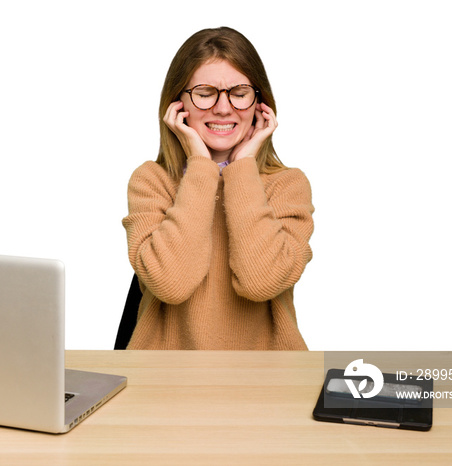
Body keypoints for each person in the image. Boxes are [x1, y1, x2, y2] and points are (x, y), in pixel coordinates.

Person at [122, 27, 314, 350]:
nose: (224, 108)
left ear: (259, 104)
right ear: (177, 104)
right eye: (205, 92)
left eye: (239, 93)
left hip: (266, 384)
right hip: (163, 385)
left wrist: (241, 169)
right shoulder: (151, 182)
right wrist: (200, 165)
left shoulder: (288, 186)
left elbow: (260, 281)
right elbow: (171, 283)